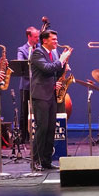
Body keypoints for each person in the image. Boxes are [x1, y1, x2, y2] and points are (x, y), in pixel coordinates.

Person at [30, 29, 72, 170]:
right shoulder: (37, 53)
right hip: (40, 95)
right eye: (53, 39)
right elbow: (47, 68)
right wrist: (60, 60)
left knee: (50, 129)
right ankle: (35, 161)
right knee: (41, 129)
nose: (56, 42)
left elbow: (56, 72)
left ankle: (46, 161)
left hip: (51, 95)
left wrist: (64, 62)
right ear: (45, 40)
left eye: (56, 39)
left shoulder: (53, 53)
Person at [16, 26, 39, 144]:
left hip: (38, 85)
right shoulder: (22, 49)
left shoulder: (40, 48)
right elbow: (21, 66)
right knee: (24, 112)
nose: (38, 39)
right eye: (35, 37)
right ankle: (23, 137)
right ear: (29, 37)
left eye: (38, 36)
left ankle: (36, 136)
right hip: (26, 85)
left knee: (38, 111)